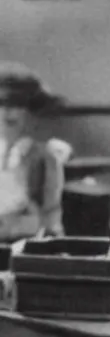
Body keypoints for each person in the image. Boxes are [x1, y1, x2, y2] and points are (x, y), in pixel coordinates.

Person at [0, 62, 67, 240]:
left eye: (17, 104)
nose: (7, 112)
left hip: (24, 245)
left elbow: (51, 217)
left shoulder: (43, 157)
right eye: (1, 104)